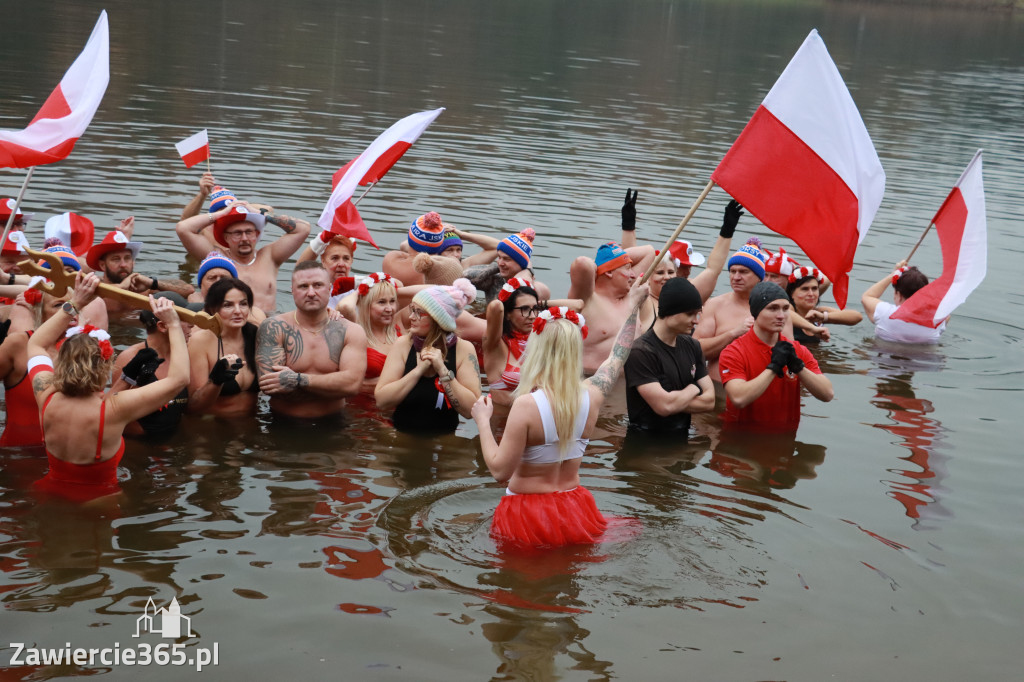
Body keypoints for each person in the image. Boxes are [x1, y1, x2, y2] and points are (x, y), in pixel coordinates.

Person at [470, 281, 648, 550]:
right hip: (574, 505)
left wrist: (483, 421)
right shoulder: (593, 394)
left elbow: (499, 471)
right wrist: (633, 306)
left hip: (526, 513)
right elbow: (617, 356)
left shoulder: (527, 405)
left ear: (537, 350)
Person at [27, 274, 188, 502]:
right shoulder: (114, 409)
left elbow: (36, 344)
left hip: (49, 492)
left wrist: (76, 303)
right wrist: (173, 324)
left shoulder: (46, 395)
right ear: (105, 366)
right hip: (98, 501)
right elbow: (179, 379)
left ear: (60, 362)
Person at [256, 261, 366, 419]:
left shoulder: (351, 331)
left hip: (333, 422)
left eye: (318, 285)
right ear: (292, 290)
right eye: (303, 286)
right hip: (281, 422)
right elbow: (271, 387)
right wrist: (333, 387)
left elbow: (352, 385)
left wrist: (298, 379)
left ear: (329, 289)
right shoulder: (274, 327)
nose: (311, 293)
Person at [719, 281, 833, 431]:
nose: (781, 316)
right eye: (772, 308)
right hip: (742, 442)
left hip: (785, 439)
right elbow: (739, 399)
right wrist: (773, 367)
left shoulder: (796, 350)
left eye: (785, 308)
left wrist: (799, 367)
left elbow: (827, 394)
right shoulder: (733, 352)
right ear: (756, 312)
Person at [375, 279, 481, 432]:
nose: (411, 317)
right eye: (412, 310)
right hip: (402, 438)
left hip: (445, 442)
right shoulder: (403, 344)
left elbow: (470, 411)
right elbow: (381, 401)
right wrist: (417, 371)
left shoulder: (464, 349)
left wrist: (442, 370)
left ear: (437, 319)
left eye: (419, 313)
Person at [176, 199, 311, 312]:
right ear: (226, 238)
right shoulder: (217, 258)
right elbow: (183, 228)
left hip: (267, 326)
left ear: (257, 235)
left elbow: (303, 229)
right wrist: (221, 214)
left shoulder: (270, 256)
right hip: (231, 326)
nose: (244, 238)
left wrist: (261, 214)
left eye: (249, 232)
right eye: (237, 233)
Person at [695, 239, 796, 383]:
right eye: (733, 271)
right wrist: (733, 334)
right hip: (719, 388)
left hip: (761, 389)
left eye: (743, 272)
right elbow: (694, 351)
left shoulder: (777, 309)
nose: (736, 277)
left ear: (759, 276)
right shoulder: (715, 305)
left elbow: (790, 355)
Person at [625, 278, 715, 434]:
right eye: (690, 314)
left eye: (698, 314)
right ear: (670, 311)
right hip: (645, 444)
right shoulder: (640, 352)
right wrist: (695, 387)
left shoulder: (693, 346)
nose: (696, 321)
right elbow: (664, 407)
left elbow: (710, 401)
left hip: (682, 439)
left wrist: (673, 400)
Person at [620, 189, 742, 302]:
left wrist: (727, 230)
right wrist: (628, 226)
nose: (666, 277)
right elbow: (629, 264)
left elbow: (712, 270)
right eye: (660, 273)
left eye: (671, 272)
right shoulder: (639, 292)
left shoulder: (686, 293)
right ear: (649, 275)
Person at [109, 292, 198, 440]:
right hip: (140, 446)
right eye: (182, 318)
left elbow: (191, 408)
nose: (192, 325)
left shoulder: (183, 356)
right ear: (163, 326)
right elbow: (114, 413)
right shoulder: (129, 358)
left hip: (173, 443)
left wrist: (215, 382)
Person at [568, 241, 656, 373]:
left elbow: (649, 251)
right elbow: (582, 263)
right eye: (627, 268)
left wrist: (619, 256)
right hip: (590, 381)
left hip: (628, 382)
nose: (633, 275)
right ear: (609, 272)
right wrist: (607, 259)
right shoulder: (588, 299)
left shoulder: (632, 295)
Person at [187, 278, 260, 417]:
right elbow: (192, 407)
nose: (238, 311)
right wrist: (215, 381)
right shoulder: (200, 342)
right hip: (213, 427)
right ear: (212, 308)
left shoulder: (257, 336)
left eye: (243, 304)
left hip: (252, 424)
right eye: (228, 305)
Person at [86, 229, 194, 316]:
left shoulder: (142, 287)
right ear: (102, 265)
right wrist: (121, 287)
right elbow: (74, 301)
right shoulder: (92, 288)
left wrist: (153, 283)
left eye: (127, 258)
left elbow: (189, 290)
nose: (123, 264)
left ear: (133, 263)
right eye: (116, 259)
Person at [861, 260, 945, 344]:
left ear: (898, 294)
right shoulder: (938, 319)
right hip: (923, 356)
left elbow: (867, 296)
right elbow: (944, 312)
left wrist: (893, 275)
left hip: (884, 354)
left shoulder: (886, 313)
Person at [787, 267, 861, 345]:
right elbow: (787, 313)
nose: (811, 294)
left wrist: (824, 317)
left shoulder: (817, 313)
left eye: (814, 289)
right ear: (792, 293)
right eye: (805, 289)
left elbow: (857, 317)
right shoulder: (786, 309)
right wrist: (813, 328)